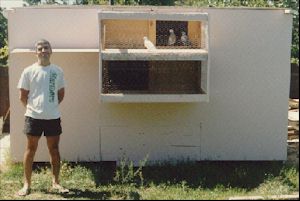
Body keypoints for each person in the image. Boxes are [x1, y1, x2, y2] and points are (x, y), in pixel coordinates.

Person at [16, 39, 68, 196]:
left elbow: (61, 94)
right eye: (40, 48)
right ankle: (26, 185)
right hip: (33, 117)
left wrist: (49, 107)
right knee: (30, 150)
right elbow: (22, 96)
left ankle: (56, 183)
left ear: (51, 51)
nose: (43, 50)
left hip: (53, 117)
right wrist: (34, 109)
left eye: (46, 48)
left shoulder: (58, 71)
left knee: (54, 150)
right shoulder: (28, 71)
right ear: (36, 52)